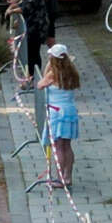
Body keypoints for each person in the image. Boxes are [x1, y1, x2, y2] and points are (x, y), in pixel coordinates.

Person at [40, 42, 82, 187]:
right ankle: (68, 176)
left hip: (57, 113)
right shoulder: (72, 73)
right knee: (67, 146)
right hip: (70, 111)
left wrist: (48, 66)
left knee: (58, 147)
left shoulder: (53, 74)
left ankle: (59, 179)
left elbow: (40, 84)